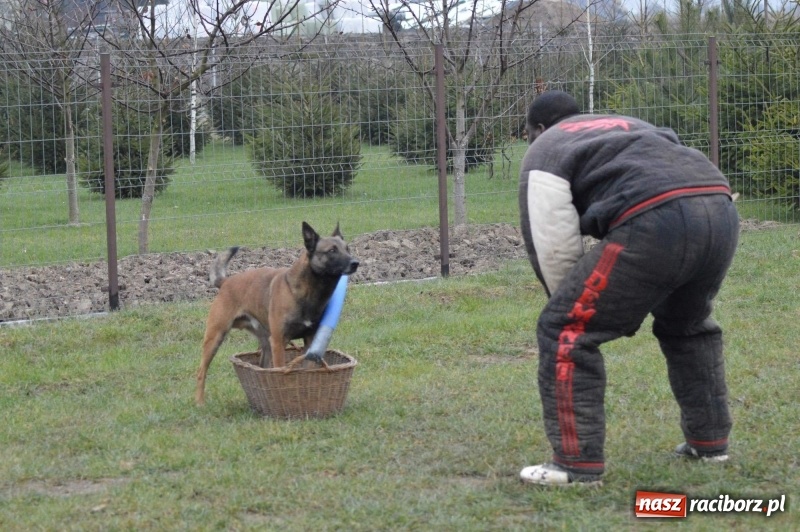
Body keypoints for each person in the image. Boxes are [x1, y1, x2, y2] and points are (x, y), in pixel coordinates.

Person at [517, 90, 739, 486]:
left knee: (564, 329)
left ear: (537, 128)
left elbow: (551, 246)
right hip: (719, 205)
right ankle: (710, 444)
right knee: (688, 326)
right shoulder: (629, 125)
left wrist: (582, 310)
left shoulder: (546, 148)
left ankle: (574, 465)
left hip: (656, 218)